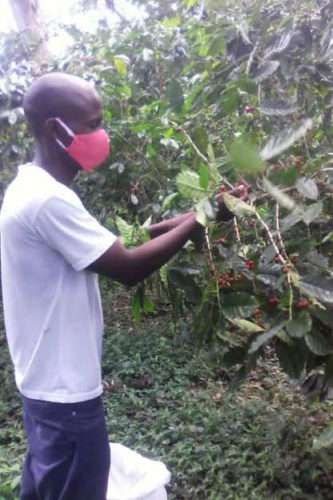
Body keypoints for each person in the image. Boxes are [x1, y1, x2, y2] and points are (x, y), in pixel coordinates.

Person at [0, 72, 247, 500]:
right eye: (91, 124)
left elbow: (124, 242)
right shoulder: (47, 200)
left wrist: (206, 210)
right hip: (66, 397)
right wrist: (202, 220)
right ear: (53, 129)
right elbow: (129, 266)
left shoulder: (32, 188)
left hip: (45, 388)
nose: (101, 134)